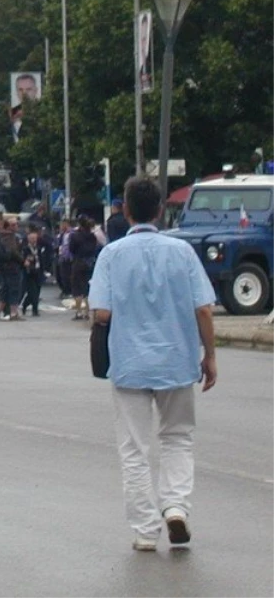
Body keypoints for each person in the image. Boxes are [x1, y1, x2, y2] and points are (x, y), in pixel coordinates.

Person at [88, 176, 217, 552]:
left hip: (129, 364)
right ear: (160, 210)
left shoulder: (111, 255)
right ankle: (176, 507)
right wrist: (209, 355)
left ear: (125, 211)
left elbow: (102, 312)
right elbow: (204, 310)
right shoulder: (181, 252)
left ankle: (146, 530)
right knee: (177, 437)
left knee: (134, 448)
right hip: (177, 361)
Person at [69, 215, 100, 321]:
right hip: (90, 262)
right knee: (87, 286)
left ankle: (78, 312)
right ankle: (87, 311)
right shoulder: (92, 236)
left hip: (78, 262)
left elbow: (71, 249)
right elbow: (95, 248)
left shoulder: (75, 236)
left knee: (77, 286)